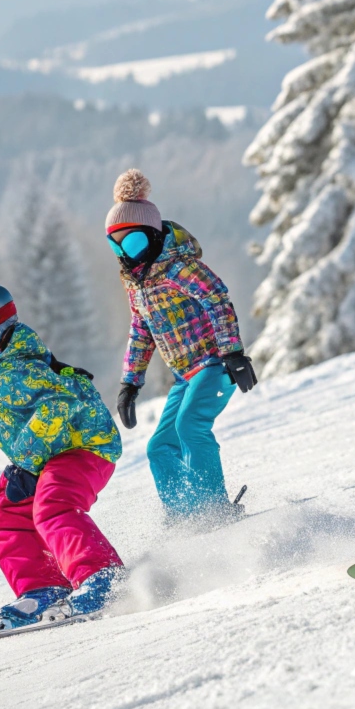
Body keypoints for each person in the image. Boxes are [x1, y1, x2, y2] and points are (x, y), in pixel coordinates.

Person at [0, 282, 124, 630]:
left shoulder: (17, 370)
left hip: (84, 447)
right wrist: (28, 463)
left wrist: (28, 462)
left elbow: (59, 404)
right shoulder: (0, 369)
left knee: (53, 505)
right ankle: (44, 586)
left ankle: (103, 578)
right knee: (1, 512)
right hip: (49, 454)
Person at [105, 168, 256, 523]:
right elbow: (141, 328)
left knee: (190, 426)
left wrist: (232, 352)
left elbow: (217, 298)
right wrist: (130, 382)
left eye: (134, 242)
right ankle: (185, 519)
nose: (127, 254)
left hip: (214, 364)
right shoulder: (136, 282)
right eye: (116, 244)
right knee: (159, 447)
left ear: (154, 235)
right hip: (184, 375)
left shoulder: (178, 266)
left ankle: (215, 512)